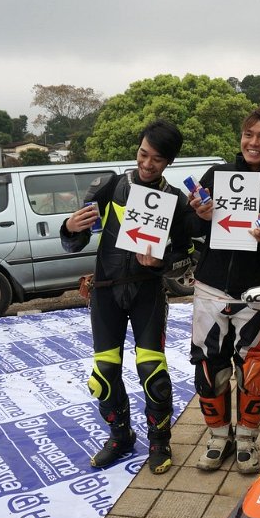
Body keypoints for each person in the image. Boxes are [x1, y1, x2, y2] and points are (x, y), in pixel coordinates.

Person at [60, 120, 195, 475]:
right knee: (104, 373)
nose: (147, 164)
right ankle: (120, 437)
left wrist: (161, 262)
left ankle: (159, 441)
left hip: (147, 293)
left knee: (152, 371)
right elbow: (76, 240)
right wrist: (69, 228)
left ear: (169, 162)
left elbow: (187, 257)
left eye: (157, 159)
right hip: (106, 293)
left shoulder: (175, 200)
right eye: (143, 154)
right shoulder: (110, 186)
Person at [189, 107, 260, 474]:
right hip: (210, 285)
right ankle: (217, 437)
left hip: (258, 292)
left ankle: (247, 439)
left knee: (254, 369)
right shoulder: (217, 175)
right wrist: (199, 216)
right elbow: (192, 226)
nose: (254, 143)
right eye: (248, 135)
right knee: (209, 366)